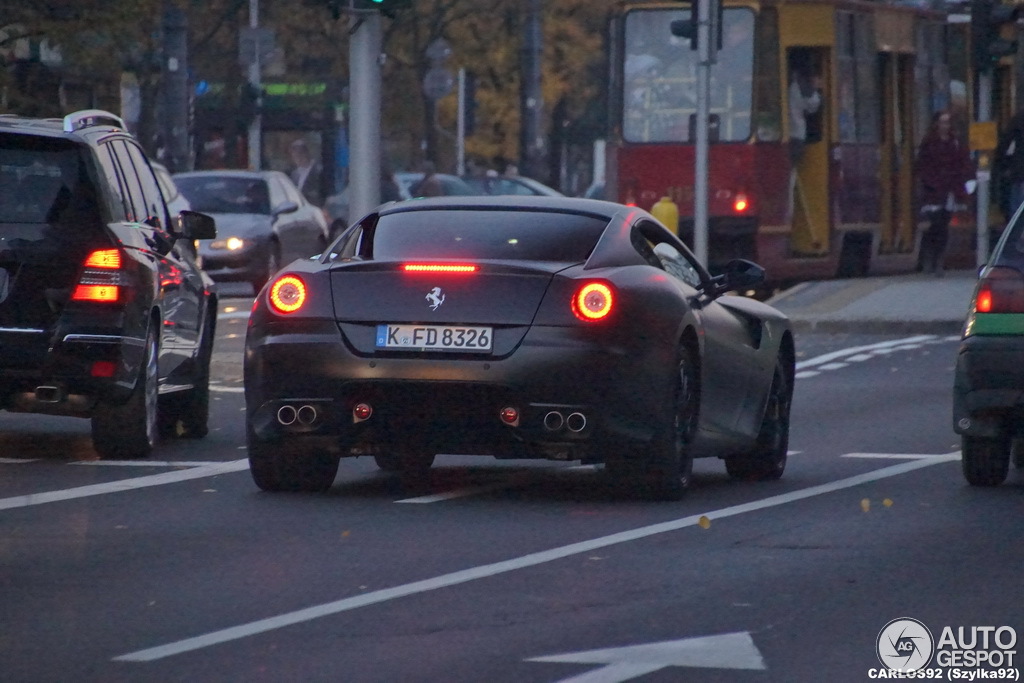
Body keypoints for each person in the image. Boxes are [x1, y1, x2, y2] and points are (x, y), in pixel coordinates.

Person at [915, 110, 973, 276]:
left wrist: (962, 184)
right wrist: (929, 182)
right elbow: (921, 165)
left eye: (947, 122)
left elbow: (963, 163)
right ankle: (929, 257)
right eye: (942, 122)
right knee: (934, 224)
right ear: (936, 124)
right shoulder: (929, 143)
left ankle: (938, 259)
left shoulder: (955, 143)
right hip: (933, 191)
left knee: (944, 224)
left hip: (949, 190)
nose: (945, 126)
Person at [995, 110, 1024, 220]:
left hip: (1019, 172)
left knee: (1017, 212)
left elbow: (1005, 143)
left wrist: (1004, 167)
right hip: (1019, 171)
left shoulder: (1019, 118)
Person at [288, 138, 323, 206]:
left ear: (306, 153)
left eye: (298, 155)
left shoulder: (319, 170)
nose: (297, 159)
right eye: (294, 157)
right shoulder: (294, 174)